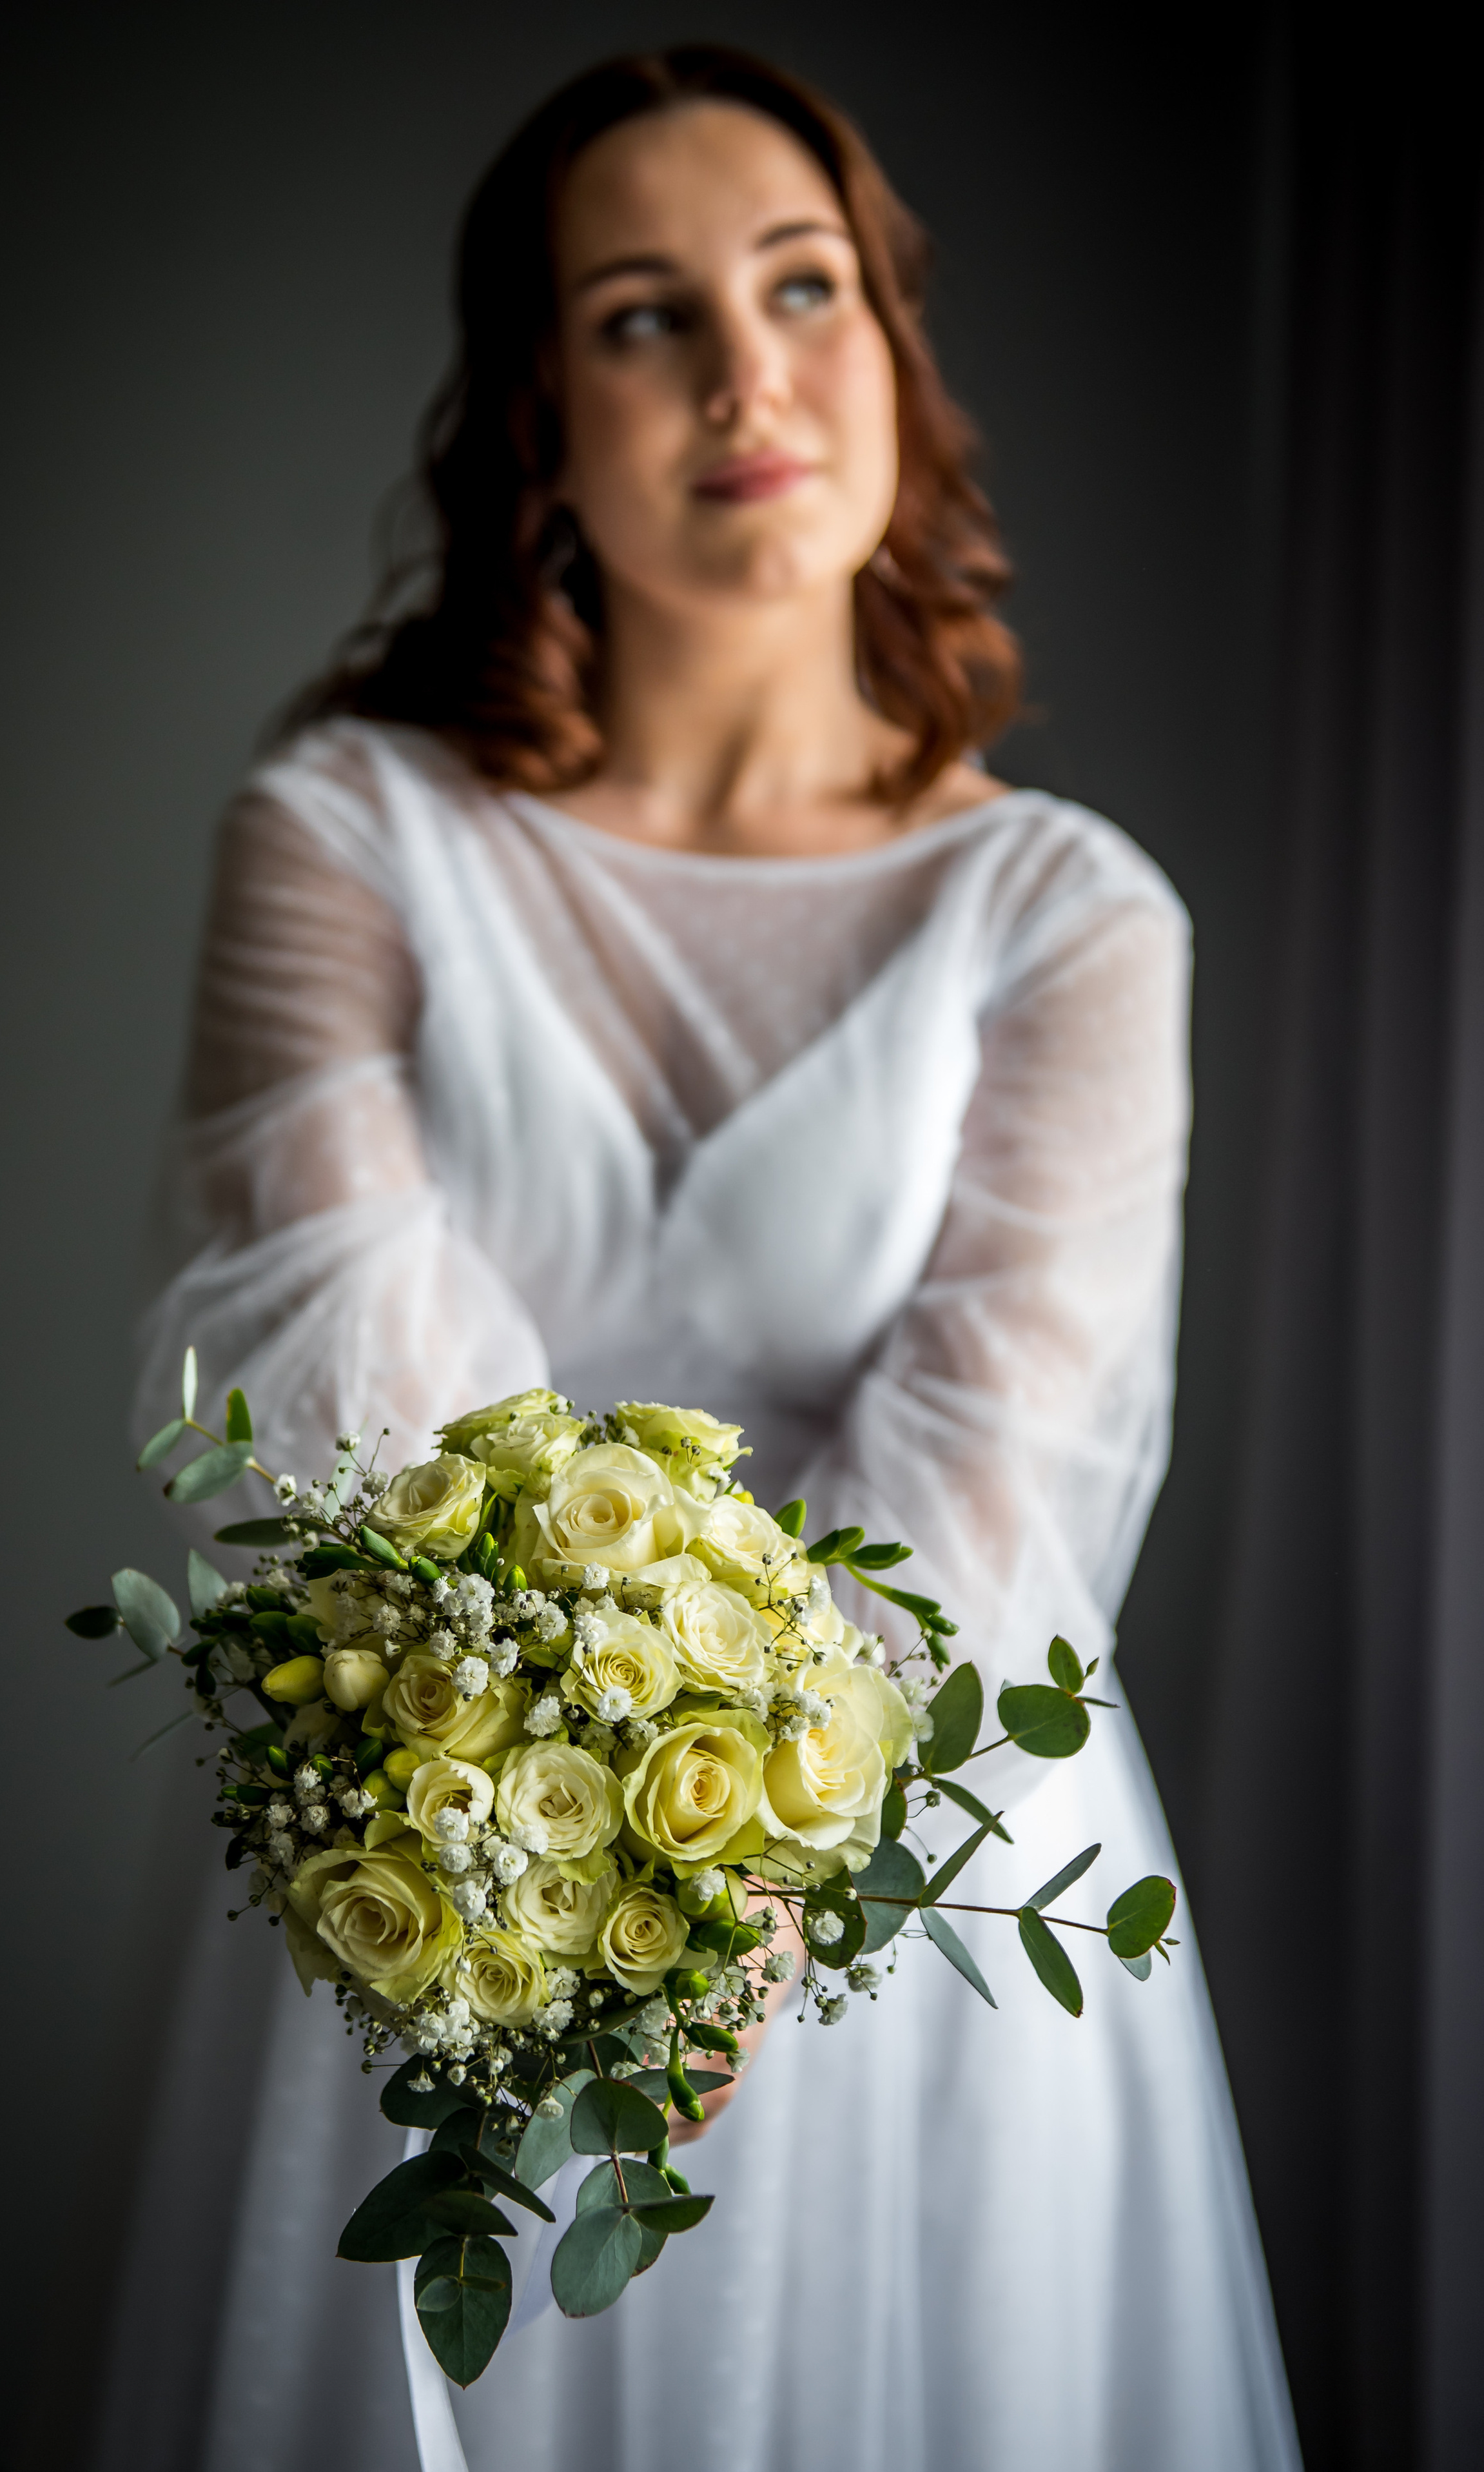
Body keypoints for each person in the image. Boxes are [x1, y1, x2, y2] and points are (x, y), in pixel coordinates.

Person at [107, 44, 1300, 2472]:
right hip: (441, 1872)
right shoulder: (341, 834)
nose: (749, 370)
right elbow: (340, 1353)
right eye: (647, 314)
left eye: (804, 287)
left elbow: (998, 1473)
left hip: (925, 1914)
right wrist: (539, 1836)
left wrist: (743, 1865)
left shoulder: (1065, 916)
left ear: (894, 343)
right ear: (539, 406)